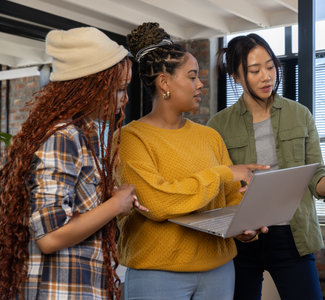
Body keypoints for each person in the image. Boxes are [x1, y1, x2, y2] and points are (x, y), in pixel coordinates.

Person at [115, 22, 269, 300]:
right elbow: (157, 202)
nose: (200, 84)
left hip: (220, 271)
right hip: (157, 275)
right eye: (192, 76)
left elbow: (232, 196)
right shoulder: (130, 138)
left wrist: (245, 226)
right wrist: (223, 174)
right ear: (165, 83)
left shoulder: (209, 136)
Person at [207, 33, 325, 300]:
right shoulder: (218, 126)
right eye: (255, 70)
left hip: (292, 236)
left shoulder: (300, 115)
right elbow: (216, 187)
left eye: (270, 66)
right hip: (242, 239)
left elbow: (316, 180)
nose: (267, 76)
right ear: (237, 77)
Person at [0, 27, 146, 299]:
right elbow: (50, 237)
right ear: (88, 89)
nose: (124, 99)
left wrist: (108, 199)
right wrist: (115, 205)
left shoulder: (81, 134)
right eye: (118, 90)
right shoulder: (64, 137)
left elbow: (69, 209)